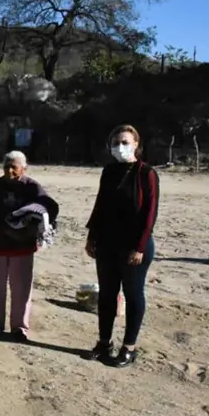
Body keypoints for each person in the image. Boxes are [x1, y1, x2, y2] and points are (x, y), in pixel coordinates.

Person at [84, 124, 159, 368]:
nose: (120, 147)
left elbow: (150, 213)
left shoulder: (146, 174)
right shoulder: (109, 171)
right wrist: (91, 236)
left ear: (136, 144)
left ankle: (129, 347)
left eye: (125, 142)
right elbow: (100, 205)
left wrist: (139, 247)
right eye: (116, 143)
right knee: (107, 295)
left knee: (133, 294)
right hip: (107, 243)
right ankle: (104, 342)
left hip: (133, 246)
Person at [0, 151, 58, 343]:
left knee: (22, 288)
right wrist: (5, 230)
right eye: (6, 166)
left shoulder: (33, 188)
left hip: (22, 246)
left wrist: (32, 228)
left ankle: (19, 328)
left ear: (24, 168)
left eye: (13, 167)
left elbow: (50, 207)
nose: (9, 170)